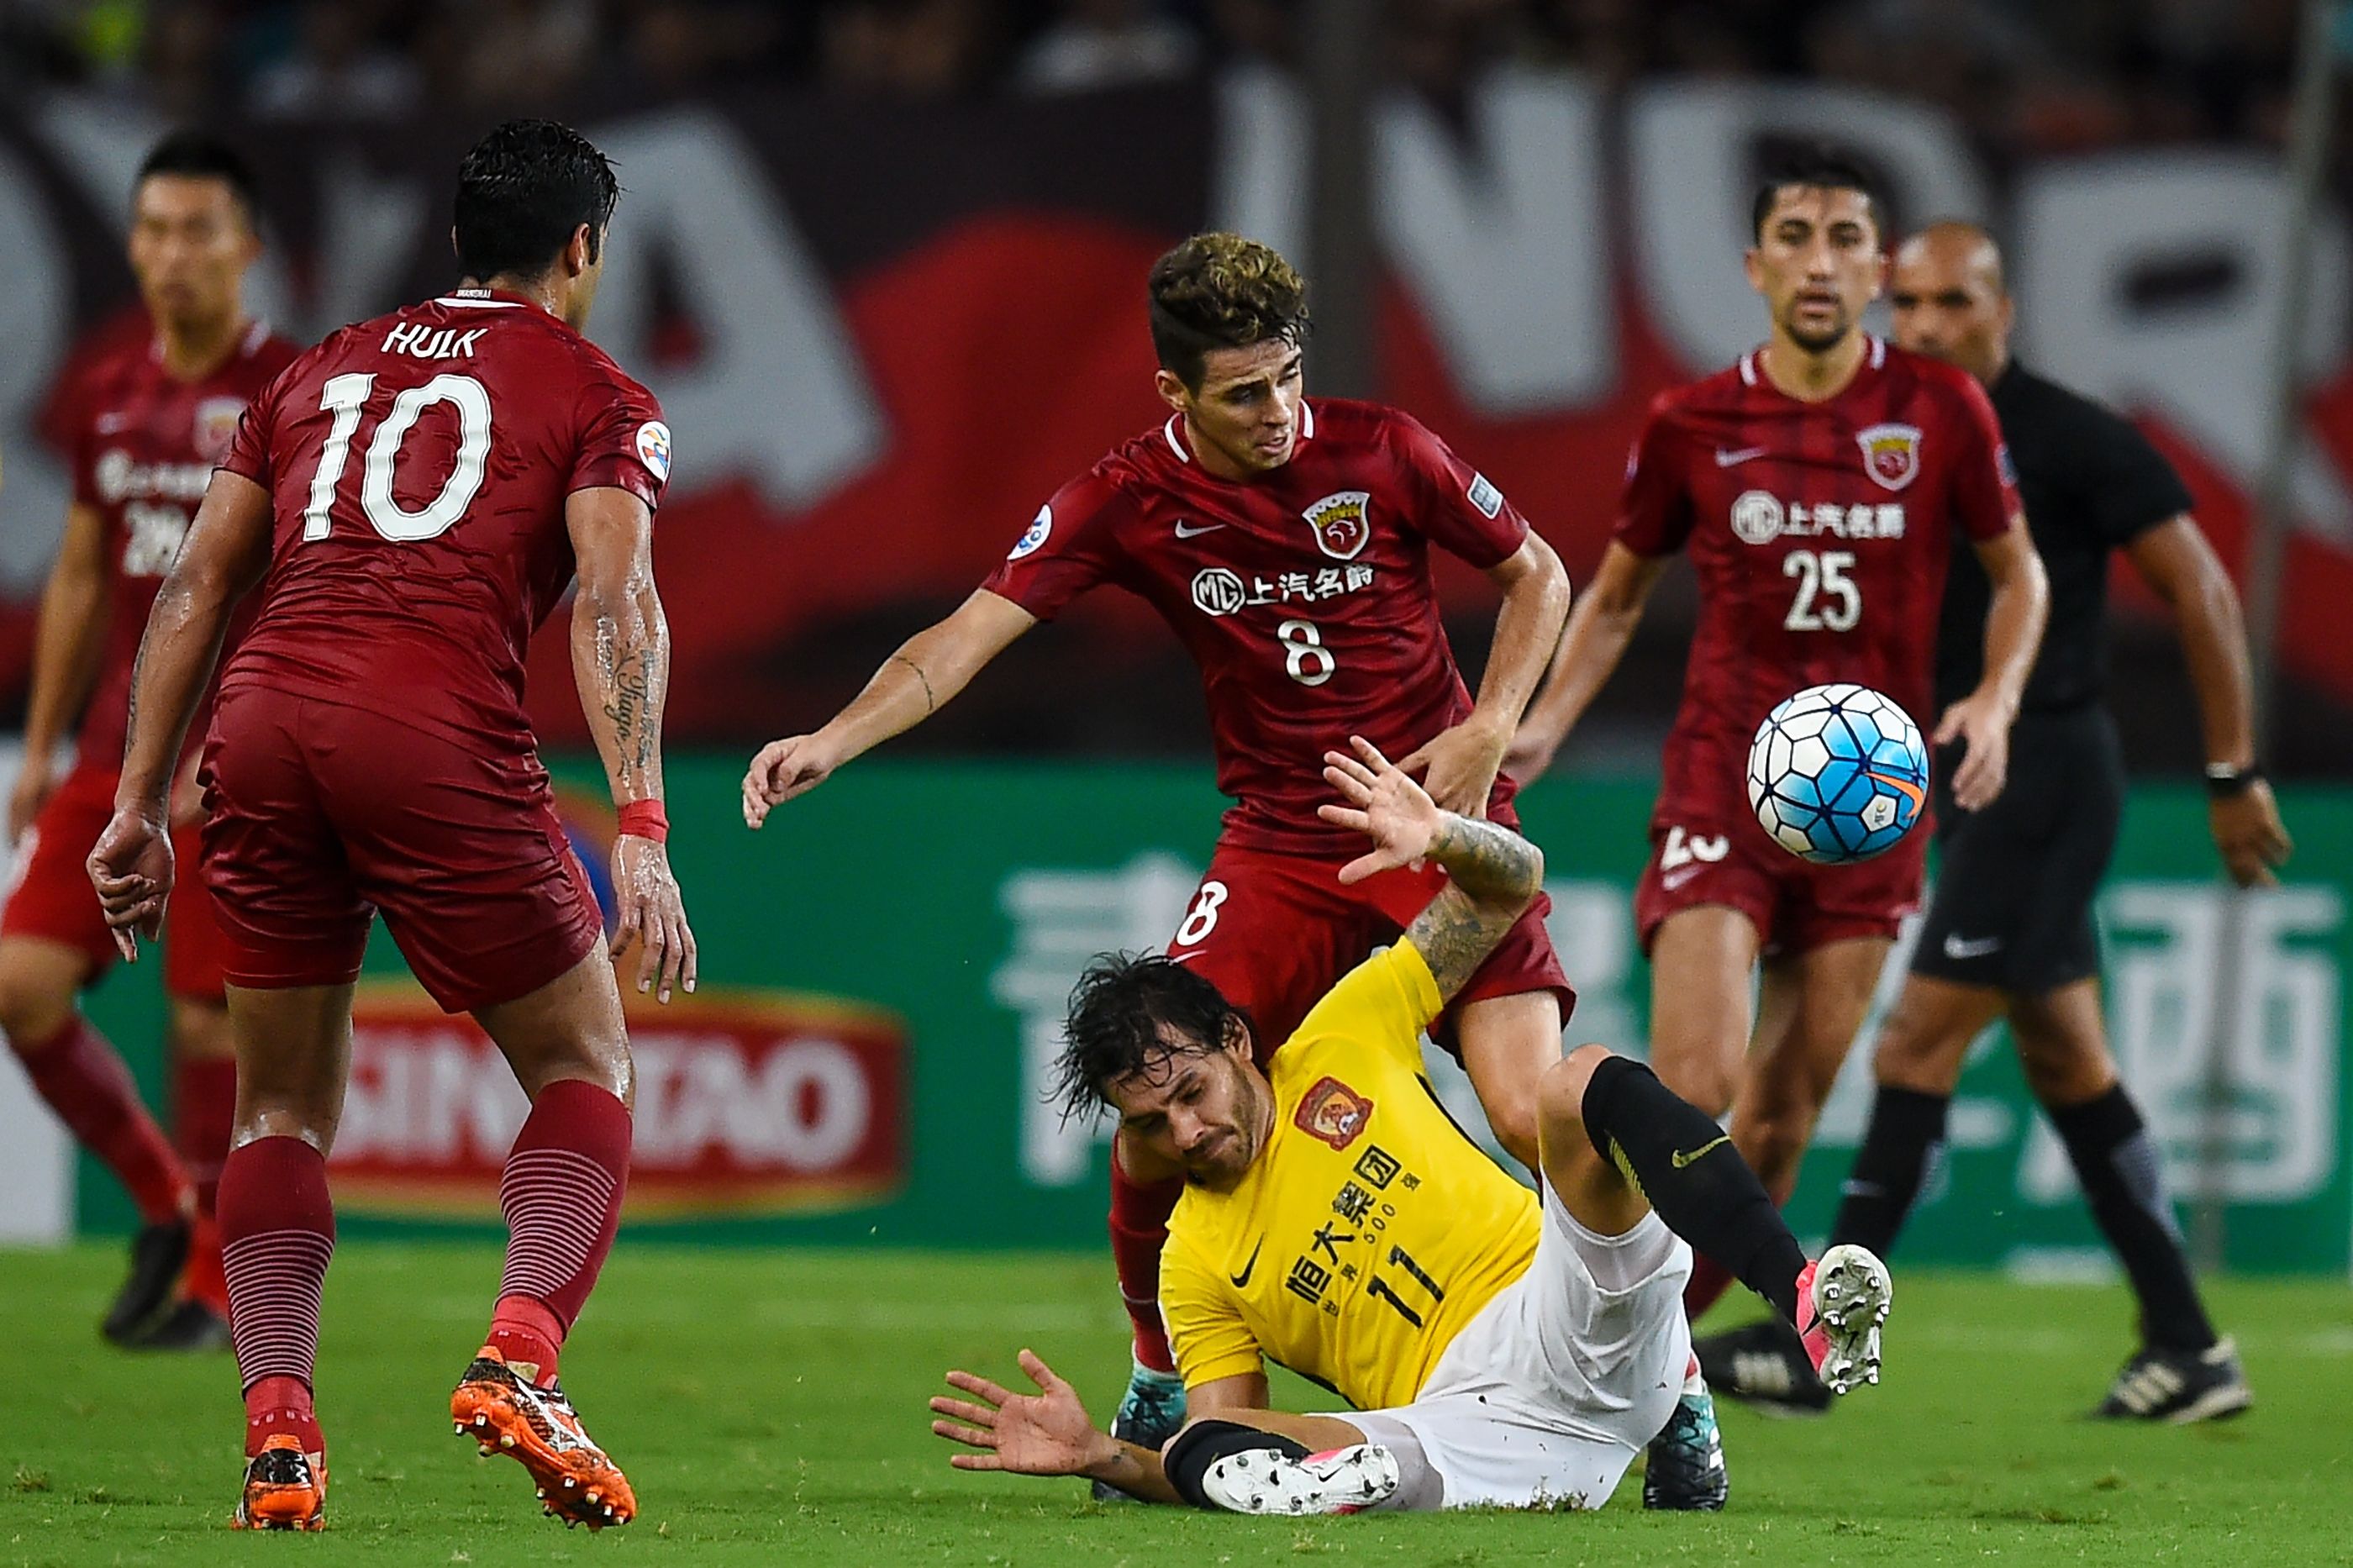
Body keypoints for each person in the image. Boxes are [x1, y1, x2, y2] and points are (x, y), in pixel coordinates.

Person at [743, 232, 1575, 1472]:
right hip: (1283, 841)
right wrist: (835, 736)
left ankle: (1665, 1380)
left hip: (1432, 816)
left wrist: (1490, 725)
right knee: (1156, 1088)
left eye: (1287, 376)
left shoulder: (1386, 449)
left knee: (1532, 1113)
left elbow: (1538, 574)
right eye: (1242, 392)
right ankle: (1152, 1365)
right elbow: (963, 635)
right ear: (1174, 392)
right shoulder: (1125, 499)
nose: (1278, 411)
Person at [87, 118, 695, 1533]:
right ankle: (522, 1359)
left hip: (258, 724)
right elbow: (616, 599)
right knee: (585, 1061)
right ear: (583, 248)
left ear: (458, 243)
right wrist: (643, 822)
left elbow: (195, 582)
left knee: (278, 1106)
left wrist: (137, 799)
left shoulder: (317, 367)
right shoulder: (599, 393)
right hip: (428, 728)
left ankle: (278, 1436)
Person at [927, 737, 1893, 1513]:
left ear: (1236, 1041)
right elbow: (1224, 1435)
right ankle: (1381, 1480)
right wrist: (1105, 1455)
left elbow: (1511, 885)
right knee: (1208, 1446)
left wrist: (1445, 837)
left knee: (1579, 1085)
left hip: (1571, 1308)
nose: (1182, 1134)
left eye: (1190, 1094)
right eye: (1149, 1123)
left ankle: (1796, 1293)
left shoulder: (1344, 1032)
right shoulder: (1192, 1262)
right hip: (1471, 1427)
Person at [1503, 150, 2049, 1502]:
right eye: (1794, 235)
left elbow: (2018, 575)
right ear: (1754, 267)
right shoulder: (1693, 420)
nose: (1819, 259)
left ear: (1878, 267)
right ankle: (1603, 1353)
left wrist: (1994, 696)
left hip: (1876, 803)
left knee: (1790, 1115)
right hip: (1725, 787)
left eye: (1845, 236)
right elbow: (1617, 596)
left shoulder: (1941, 410)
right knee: (1699, 1082)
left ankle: (1666, 1379)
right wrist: (1542, 723)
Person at [1698, 221, 2288, 1423]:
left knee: (1915, 1045)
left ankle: (1817, 1344)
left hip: (2045, 775)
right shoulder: (1882, 439)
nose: (1926, 326)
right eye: (1908, 303)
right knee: (2069, 1059)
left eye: (1953, 302)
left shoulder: (2069, 436)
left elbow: (2203, 590)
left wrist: (2234, 773)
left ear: (2004, 311)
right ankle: (2188, 1346)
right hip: (1952, 782)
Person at [4, 132, 297, 1351]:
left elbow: (301, 587)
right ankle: (165, 1201)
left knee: (208, 1026)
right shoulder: (110, 391)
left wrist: (223, 740)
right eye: (155, 230)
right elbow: (82, 573)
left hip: (234, 760)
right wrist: (39, 745)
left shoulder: (291, 392)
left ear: (247, 247)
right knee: (20, 987)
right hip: (113, 749)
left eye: (197, 231)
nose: (172, 254)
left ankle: (221, 1285)